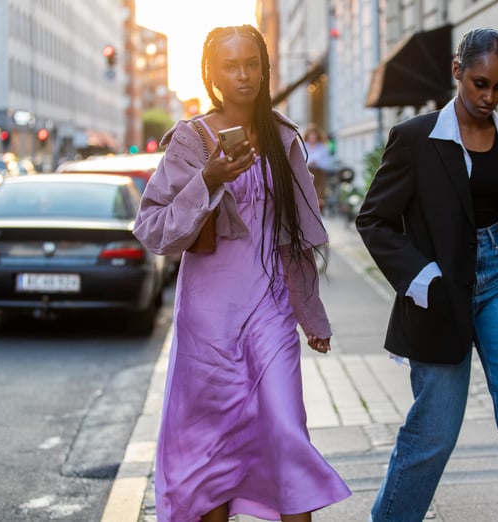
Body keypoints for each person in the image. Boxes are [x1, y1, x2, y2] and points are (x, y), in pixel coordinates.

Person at [133, 25, 350, 522]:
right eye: (231, 66)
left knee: (286, 430)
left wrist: (311, 316)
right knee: (210, 448)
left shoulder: (284, 138)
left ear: (264, 68)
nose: (244, 76)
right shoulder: (190, 141)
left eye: (252, 64)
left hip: (270, 310)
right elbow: (152, 229)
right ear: (211, 74)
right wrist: (208, 179)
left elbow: (294, 238)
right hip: (207, 320)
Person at [356, 28, 498, 521]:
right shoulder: (415, 139)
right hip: (440, 288)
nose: (489, 97)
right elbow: (374, 220)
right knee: (433, 433)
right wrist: (422, 277)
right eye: (479, 83)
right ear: (456, 72)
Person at [303, 125, 334, 213]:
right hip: (306, 173)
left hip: (319, 174)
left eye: (314, 135)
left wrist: (317, 163)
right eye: (311, 134)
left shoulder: (323, 147)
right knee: (307, 194)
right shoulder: (303, 146)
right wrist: (309, 162)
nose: (313, 137)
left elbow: (327, 163)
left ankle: (318, 213)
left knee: (319, 195)